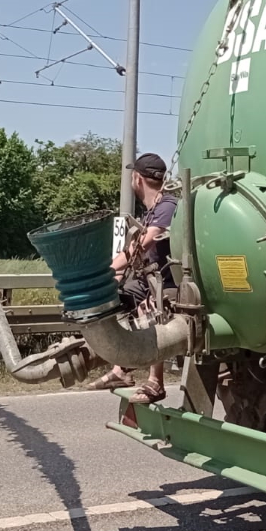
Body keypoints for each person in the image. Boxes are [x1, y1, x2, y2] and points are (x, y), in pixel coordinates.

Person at [86, 152, 177, 403]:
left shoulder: (167, 206)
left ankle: (156, 383)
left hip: (167, 283)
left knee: (151, 307)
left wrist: (107, 271)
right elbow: (136, 246)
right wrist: (112, 275)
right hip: (149, 279)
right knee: (116, 297)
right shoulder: (152, 210)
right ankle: (120, 368)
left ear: (137, 179)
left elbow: (144, 244)